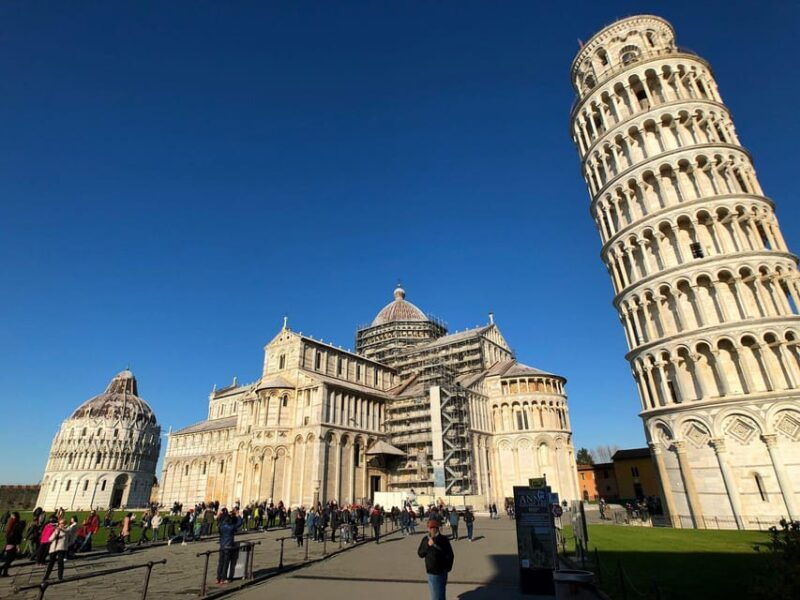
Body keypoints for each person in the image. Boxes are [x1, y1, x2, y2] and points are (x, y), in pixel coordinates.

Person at [417, 519, 454, 600]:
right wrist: (427, 545)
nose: (432, 529)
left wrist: (448, 568)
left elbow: (450, 555)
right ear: (428, 529)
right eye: (431, 528)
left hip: (442, 572)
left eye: (434, 528)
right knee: (438, 595)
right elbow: (420, 554)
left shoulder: (443, 539)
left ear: (437, 528)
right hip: (432, 573)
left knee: (438, 596)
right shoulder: (425, 540)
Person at [216, 509, 242, 585]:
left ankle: (218, 578)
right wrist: (238, 515)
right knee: (226, 563)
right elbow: (239, 523)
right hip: (228, 546)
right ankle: (223, 578)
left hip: (222, 546)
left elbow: (220, 522)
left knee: (220, 562)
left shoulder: (221, 526)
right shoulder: (231, 527)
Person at [1, 512, 24, 577]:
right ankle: (3, 571)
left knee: (9, 559)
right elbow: (16, 536)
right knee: (10, 559)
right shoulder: (15, 524)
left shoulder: (10, 523)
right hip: (12, 543)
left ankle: (4, 572)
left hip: (9, 543)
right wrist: (18, 546)